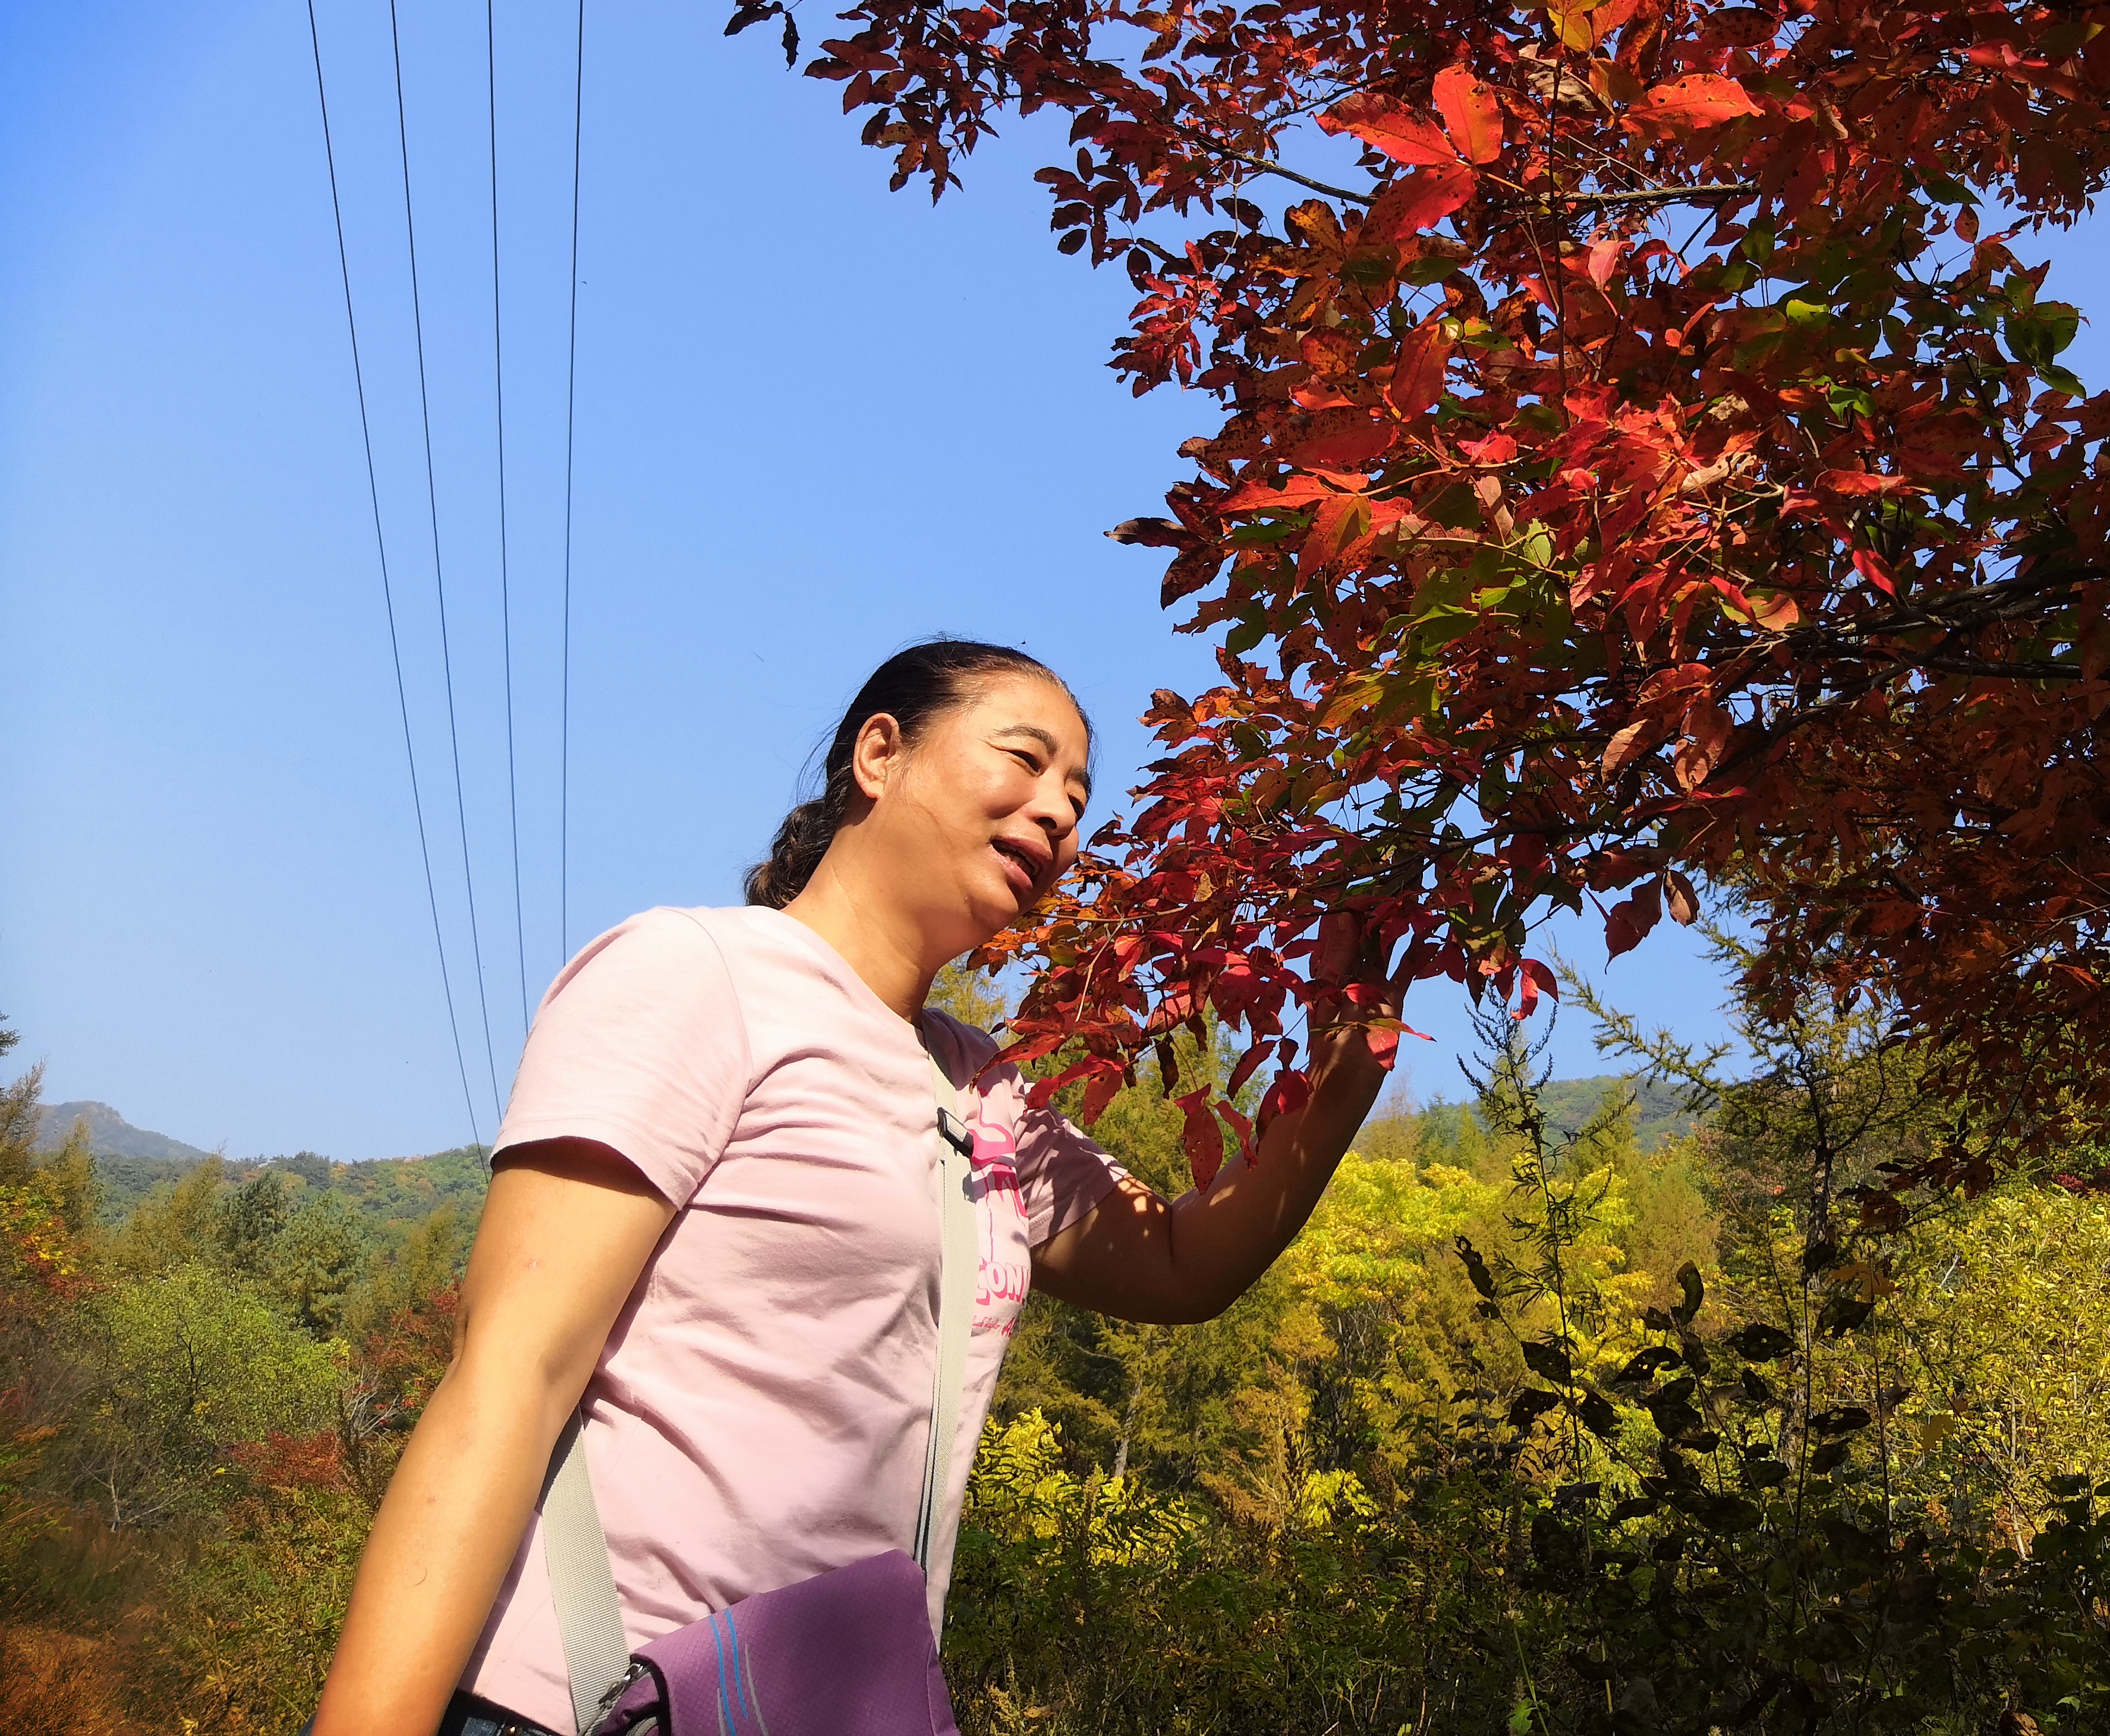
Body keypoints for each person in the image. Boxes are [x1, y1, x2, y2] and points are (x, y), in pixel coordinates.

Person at [310, 639, 1413, 1736]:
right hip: (585, 1704)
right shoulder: (698, 975)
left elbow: (1180, 1264)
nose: (1058, 814)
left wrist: (1341, 1072)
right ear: (879, 754)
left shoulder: (987, 1092)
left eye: (1076, 797)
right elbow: (512, 1371)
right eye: (1025, 761)